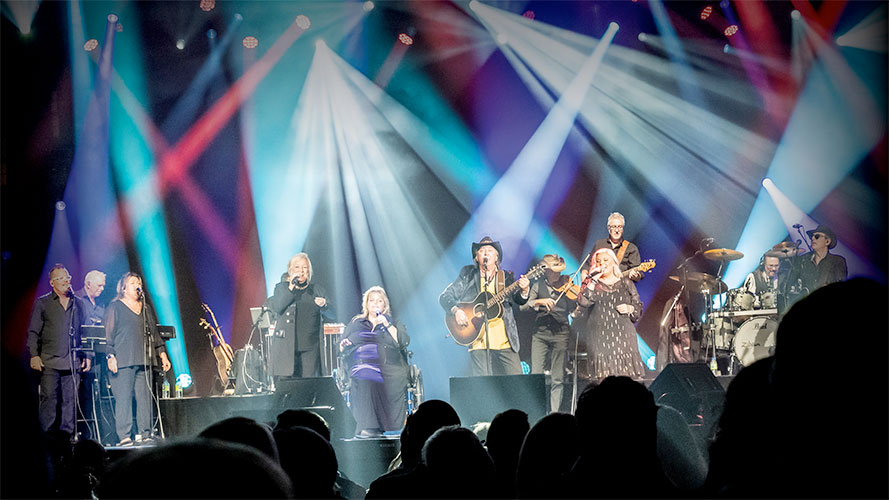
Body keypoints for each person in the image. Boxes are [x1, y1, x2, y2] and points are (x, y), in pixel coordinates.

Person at [439, 236, 530, 376]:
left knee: (517, 381)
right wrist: (456, 311)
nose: (486, 253)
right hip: (478, 341)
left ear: (497, 257)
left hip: (505, 341)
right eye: (481, 250)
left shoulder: (506, 277)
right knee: (483, 384)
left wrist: (524, 291)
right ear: (476, 257)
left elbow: (518, 300)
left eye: (490, 250)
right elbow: (445, 296)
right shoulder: (468, 275)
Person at [104, 272, 171, 446]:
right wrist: (110, 356)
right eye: (132, 282)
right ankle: (124, 436)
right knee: (124, 398)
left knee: (145, 398)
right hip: (124, 360)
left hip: (144, 359)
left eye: (138, 282)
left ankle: (145, 433)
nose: (137, 285)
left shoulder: (145, 308)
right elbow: (108, 335)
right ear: (123, 288)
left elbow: (154, 334)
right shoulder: (115, 307)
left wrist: (162, 354)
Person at [27, 264, 91, 440]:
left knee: (71, 401)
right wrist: (34, 355)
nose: (65, 280)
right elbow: (33, 332)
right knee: (49, 399)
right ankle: (45, 438)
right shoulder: (43, 303)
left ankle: (68, 439)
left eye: (67, 277)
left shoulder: (79, 303)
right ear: (52, 283)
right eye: (61, 278)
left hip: (72, 360)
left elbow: (86, 331)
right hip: (49, 360)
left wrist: (87, 355)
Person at [340, 286, 410, 438]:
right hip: (361, 365)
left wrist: (387, 324)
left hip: (389, 367)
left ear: (385, 305)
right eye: (371, 300)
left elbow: (402, 342)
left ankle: (376, 427)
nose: (375, 304)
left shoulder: (392, 322)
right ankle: (368, 427)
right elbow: (341, 346)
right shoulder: (357, 323)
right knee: (366, 375)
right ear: (366, 304)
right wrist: (344, 344)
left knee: (373, 375)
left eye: (379, 301)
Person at [575, 248, 646, 380]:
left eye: (605, 260)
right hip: (600, 337)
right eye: (598, 261)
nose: (602, 263)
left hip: (623, 337)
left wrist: (630, 308)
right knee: (604, 380)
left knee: (626, 380)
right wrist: (593, 281)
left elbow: (638, 308)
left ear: (614, 262)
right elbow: (583, 302)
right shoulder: (592, 284)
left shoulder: (626, 283)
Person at [519, 254, 575, 413]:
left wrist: (577, 308)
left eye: (559, 271)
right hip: (540, 334)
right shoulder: (538, 285)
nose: (557, 274)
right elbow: (524, 307)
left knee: (558, 377)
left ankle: (554, 413)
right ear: (546, 271)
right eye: (554, 271)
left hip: (561, 333)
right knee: (536, 374)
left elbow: (575, 307)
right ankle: (537, 411)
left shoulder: (567, 285)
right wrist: (539, 301)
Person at [268, 253, 329, 378]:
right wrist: (291, 287)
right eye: (297, 267)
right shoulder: (282, 288)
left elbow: (332, 314)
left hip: (310, 348)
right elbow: (278, 307)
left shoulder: (317, 290)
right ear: (290, 270)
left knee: (307, 385)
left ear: (309, 271)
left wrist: (324, 305)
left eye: (304, 267)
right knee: (287, 385)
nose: (301, 271)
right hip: (287, 347)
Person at [581, 212, 643, 282]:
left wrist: (636, 276)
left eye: (620, 227)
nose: (617, 230)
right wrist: (584, 275)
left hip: (620, 287)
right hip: (596, 285)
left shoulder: (631, 249)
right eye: (614, 226)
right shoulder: (599, 244)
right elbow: (587, 265)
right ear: (609, 228)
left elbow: (639, 273)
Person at [798, 224, 847, 292]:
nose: (813, 238)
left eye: (817, 236)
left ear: (827, 241)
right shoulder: (803, 260)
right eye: (812, 236)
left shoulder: (837, 261)